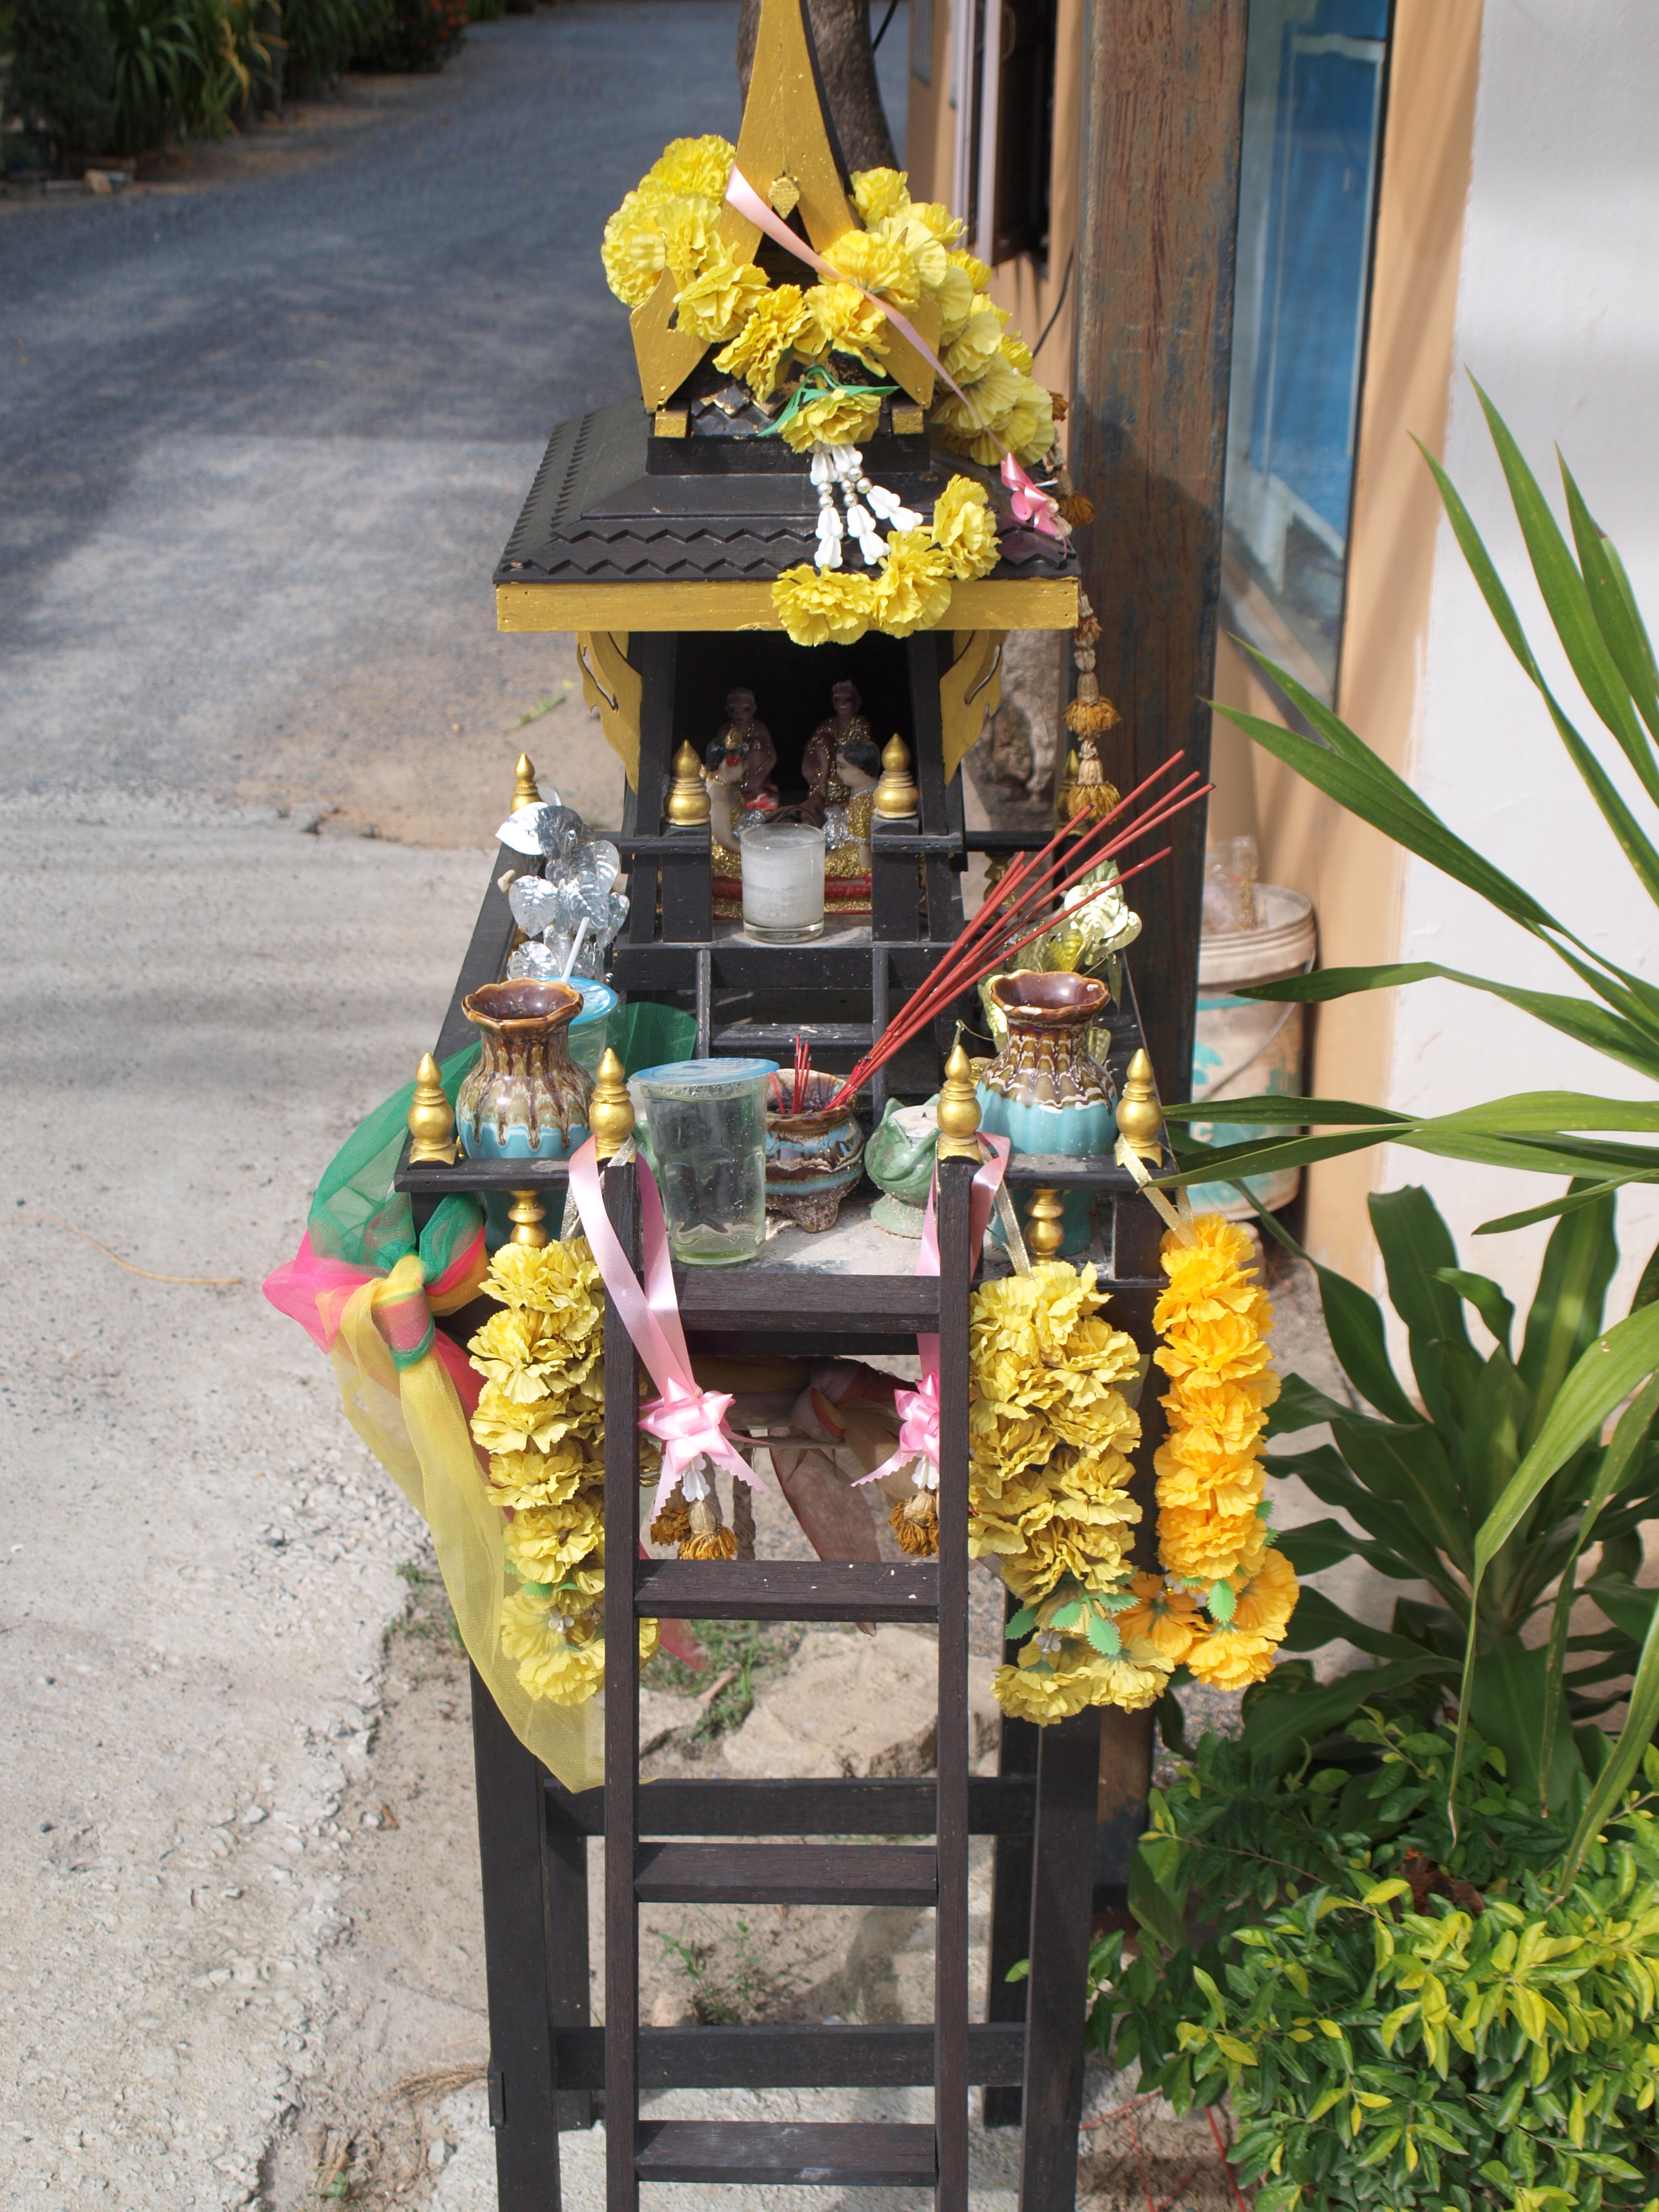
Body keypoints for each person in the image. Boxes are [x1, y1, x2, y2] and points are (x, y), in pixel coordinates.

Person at [714, 687, 778, 811]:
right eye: (734, 710)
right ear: (728, 711)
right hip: (733, 782)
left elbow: (772, 756)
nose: (740, 714)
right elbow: (717, 758)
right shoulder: (725, 731)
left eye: (746, 709)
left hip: (757, 781)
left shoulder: (759, 729)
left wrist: (760, 776)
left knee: (755, 751)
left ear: (753, 709)